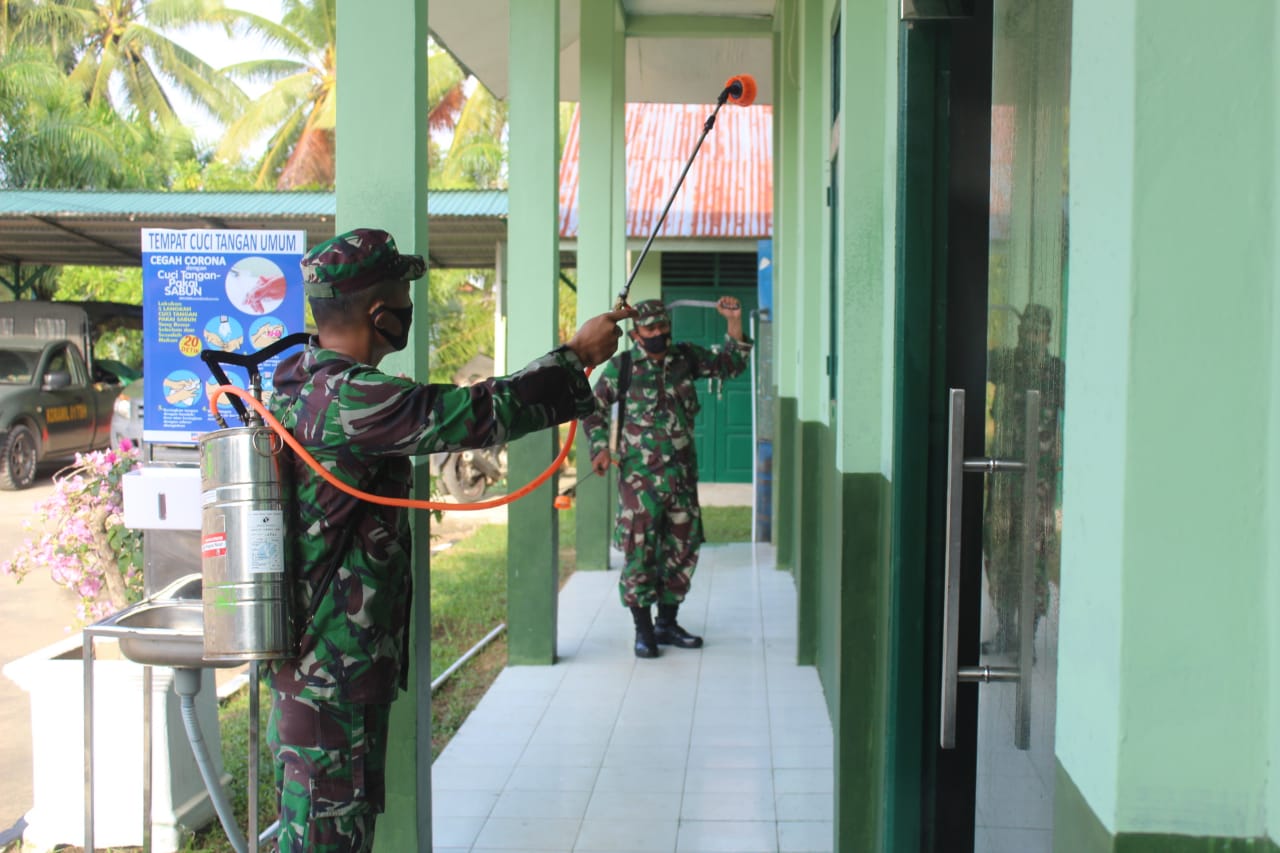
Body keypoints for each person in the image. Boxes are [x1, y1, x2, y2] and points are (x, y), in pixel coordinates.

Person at [264, 227, 633, 851]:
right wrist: (575, 356)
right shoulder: (348, 398)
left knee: (333, 834)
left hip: (327, 671)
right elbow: (475, 412)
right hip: (329, 675)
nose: (409, 308)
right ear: (380, 314)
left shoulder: (306, 381)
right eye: (404, 297)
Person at [581, 296, 752, 658]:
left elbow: (732, 365)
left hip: (682, 479)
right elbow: (591, 408)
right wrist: (599, 448)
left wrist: (734, 323)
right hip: (638, 483)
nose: (659, 333)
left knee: (683, 550)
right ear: (636, 334)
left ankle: (668, 623)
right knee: (639, 552)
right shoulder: (622, 367)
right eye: (651, 328)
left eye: (663, 326)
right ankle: (643, 632)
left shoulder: (685, 359)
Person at [982, 303, 1065, 655]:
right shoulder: (1004, 363)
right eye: (1027, 331)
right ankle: (1005, 629)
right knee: (999, 554)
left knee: (1034, 556)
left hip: (1038, 485)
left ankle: (1027, 639)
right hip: (1003, 481)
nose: (1032, 338)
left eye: (1038, 332)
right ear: (1019, 333)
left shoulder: (1057, 372)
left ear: (1047, 336)